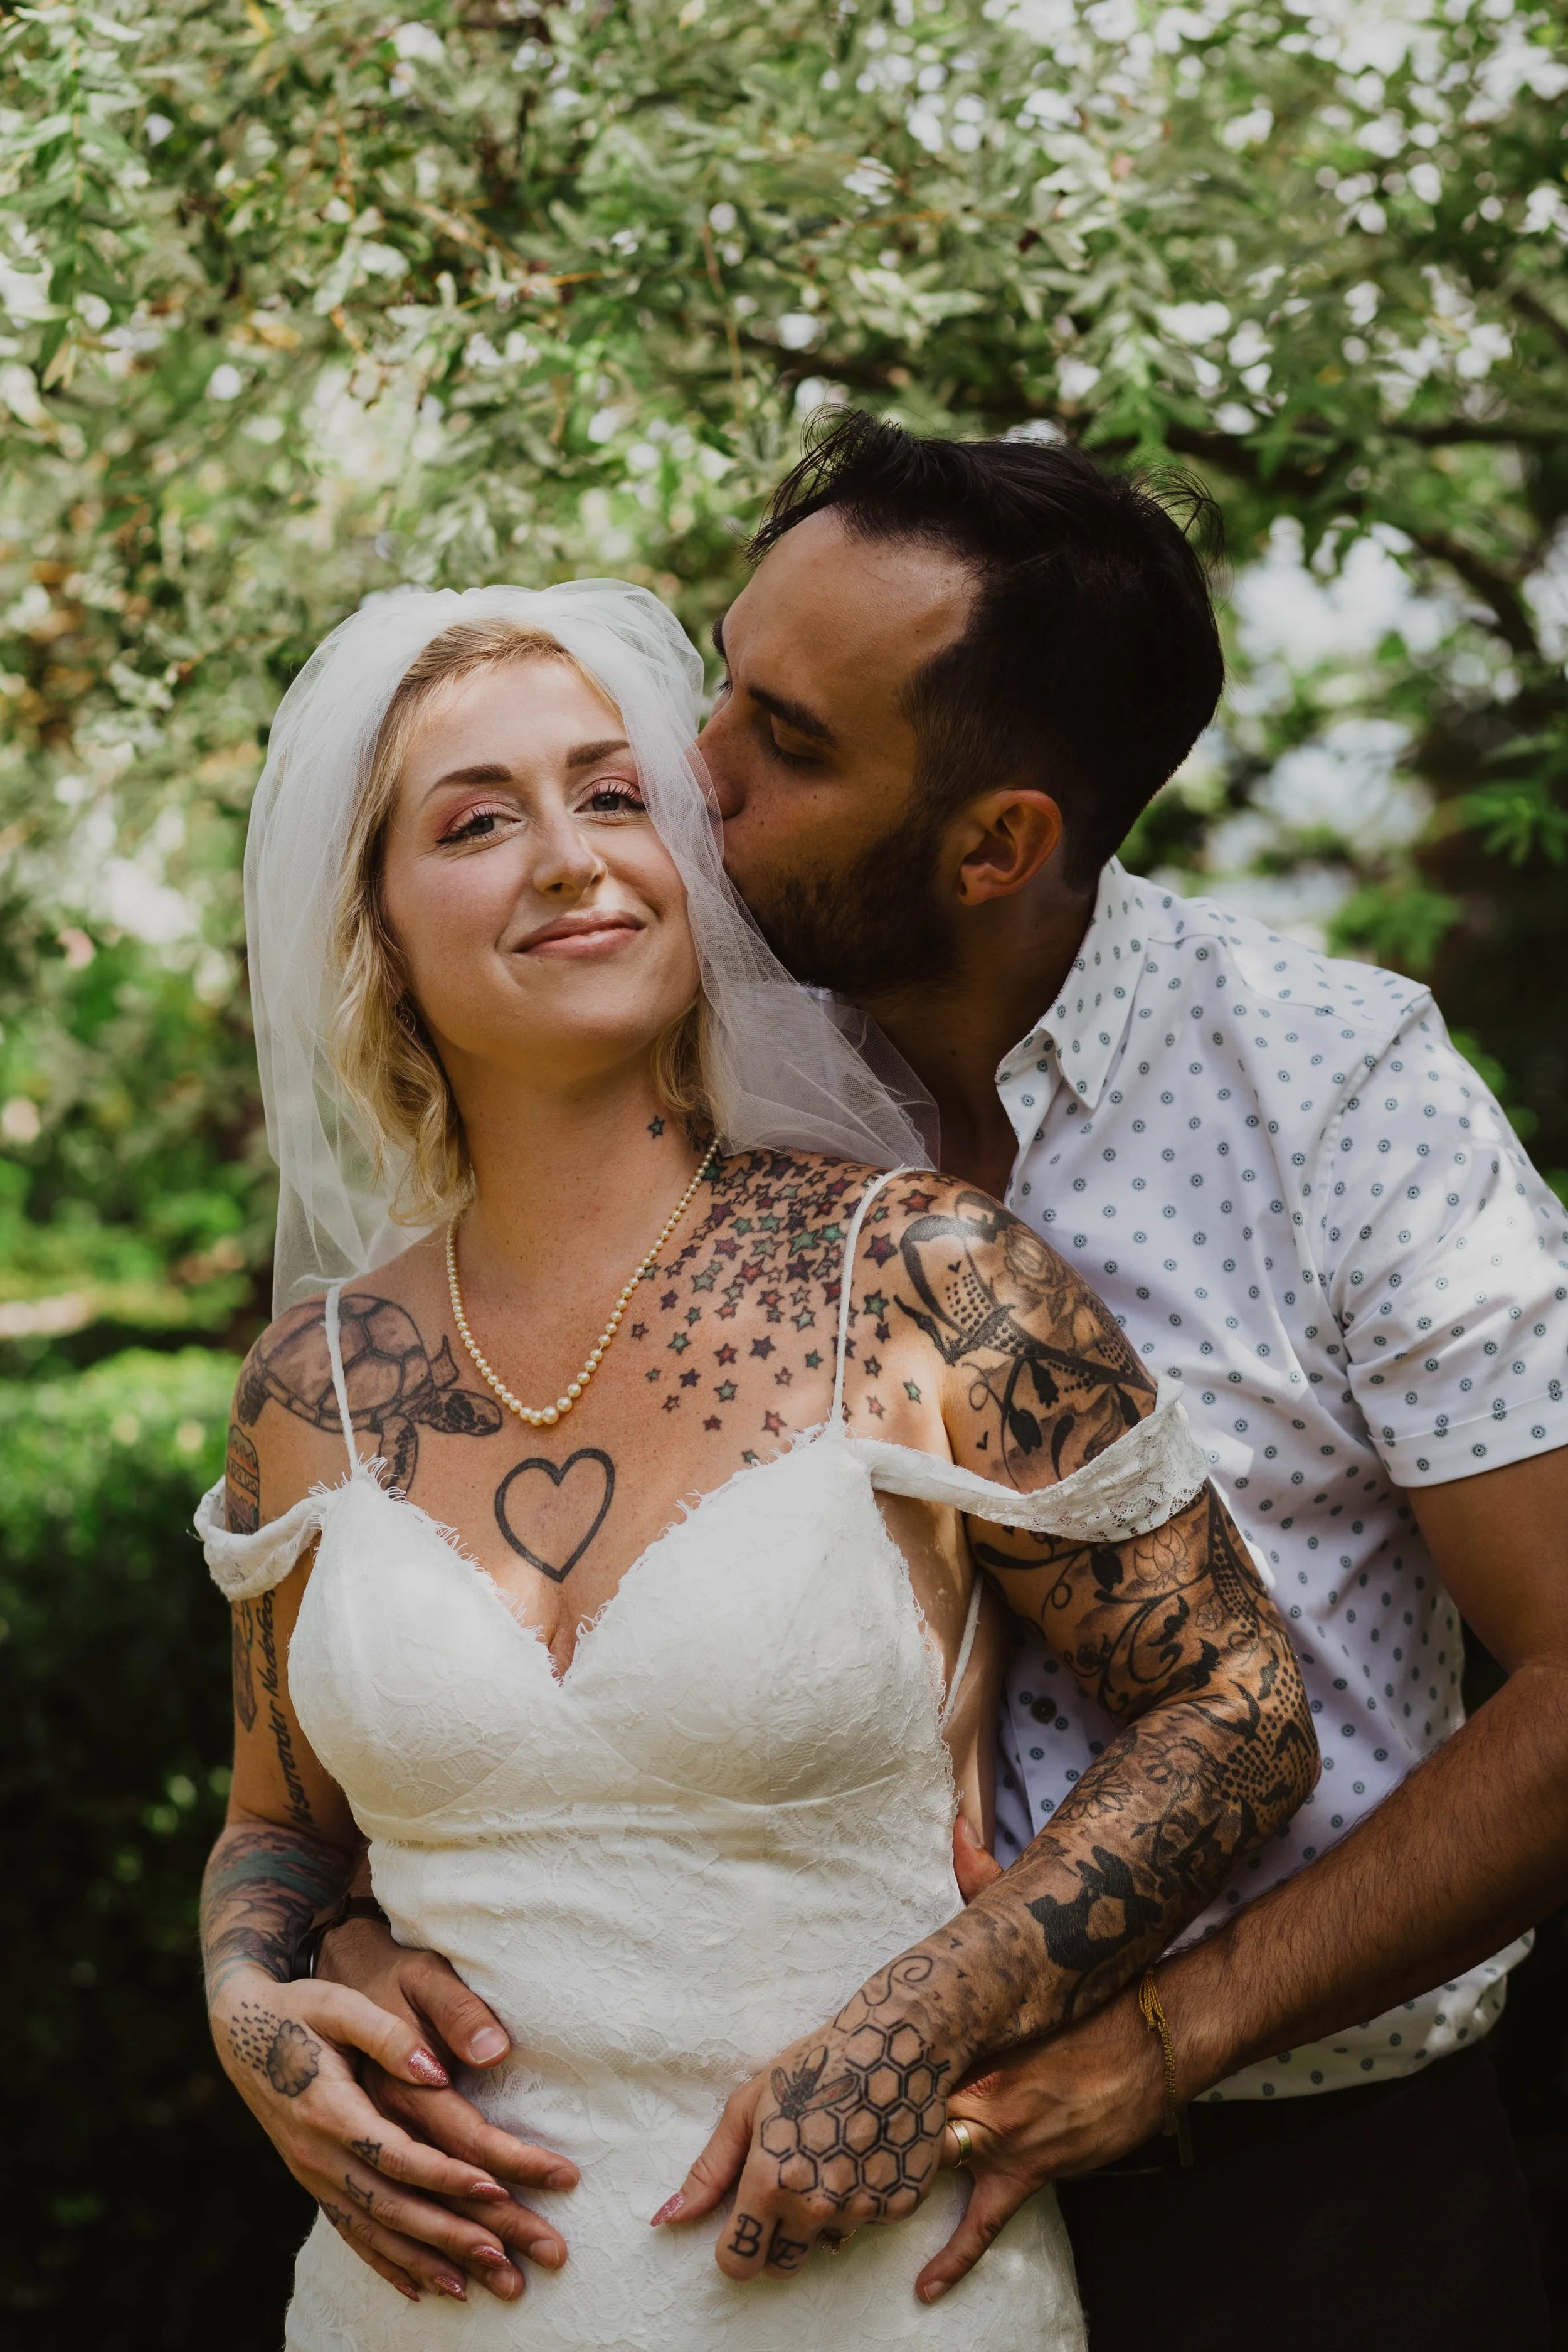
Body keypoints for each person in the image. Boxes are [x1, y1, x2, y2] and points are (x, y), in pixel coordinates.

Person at [282, 419, 1566, 2351]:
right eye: (722, 675)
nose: (685, 769)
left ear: (994, 844)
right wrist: (334, 1946)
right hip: (759, 2233)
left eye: (785, 743)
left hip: (1301, 2192)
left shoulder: (1328, 1087)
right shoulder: (668, 1043)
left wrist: (1165, 2031)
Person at [197, 580, 1315, 2348]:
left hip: (874, 2297)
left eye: (614, 792)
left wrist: (926, 2016)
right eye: (477, 821)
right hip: (409, 2310)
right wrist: (250, 1997)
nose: (567, 857)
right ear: (377, 929)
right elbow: (278, 1824)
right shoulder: (310, 1386)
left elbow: (1238, 1703)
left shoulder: (930, 1277)